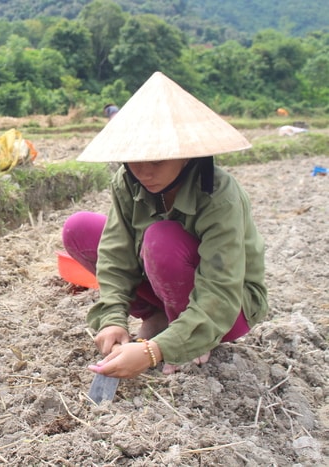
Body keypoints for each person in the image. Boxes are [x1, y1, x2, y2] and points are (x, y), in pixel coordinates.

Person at [65, 71, 268, 378]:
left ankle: (190, 335)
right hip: (165, 285)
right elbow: (115, 254)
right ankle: (161, 316)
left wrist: (156, 350)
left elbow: (221, 289)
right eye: (135, 160)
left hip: (228, 309)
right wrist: (112, 319)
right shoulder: (128, 182)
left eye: (157, 160)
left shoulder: (219, 195)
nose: (145, 171)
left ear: (186, 156)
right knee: (79, 229)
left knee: (161, 239)